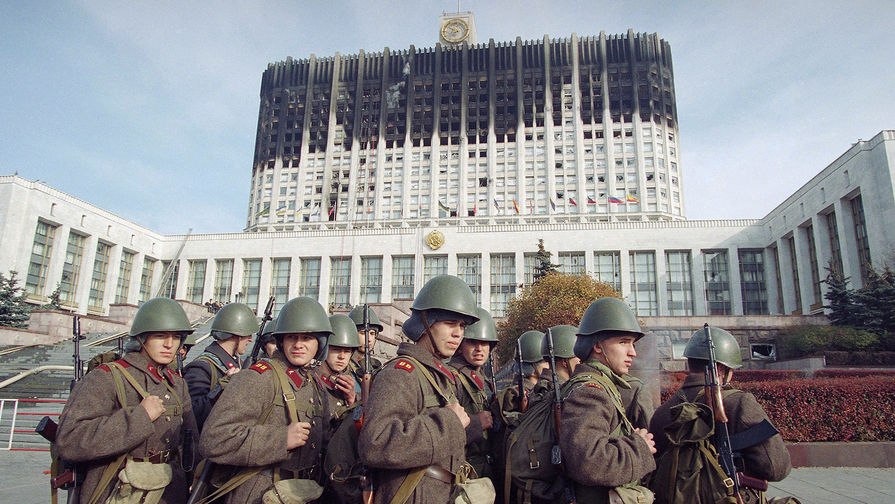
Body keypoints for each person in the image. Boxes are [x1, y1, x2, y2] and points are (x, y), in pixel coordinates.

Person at [56, 297, 198, 503]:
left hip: (170, 491)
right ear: (141, 338)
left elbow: (191, 440)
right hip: (118, 490)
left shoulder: (176, 383)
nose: (169, 344)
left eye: (176, 337)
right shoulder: (107, 377)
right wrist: (140, 417)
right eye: (160, 336)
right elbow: (70, 440)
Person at [357, 275, 479, 503]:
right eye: (450, 323)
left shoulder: (439, 376)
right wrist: (449, 423)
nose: (458, 333)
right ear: (425, 323)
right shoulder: (401, 373)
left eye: (462, 326)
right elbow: (376, 443)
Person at [198, 296, 333, 503]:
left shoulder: (315, 384)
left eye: (306, 338)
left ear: (320, 344)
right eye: (292, 337)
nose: (298, 344)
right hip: (257, 493)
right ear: (281, 341)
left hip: (300, 492)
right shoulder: (259, 377)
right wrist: (281, 439)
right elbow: (214, 439)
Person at [649, 326, 792, 503]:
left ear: (689, 364)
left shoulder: (661, 413)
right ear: (722, 370)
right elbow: (776, 468)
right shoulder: (740, 402)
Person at [559, 297, 656, 501]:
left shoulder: (602, 385)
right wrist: (640, 447)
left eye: (632, 344)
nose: (633, 352)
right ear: (597, 346)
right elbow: (588, 462)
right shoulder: (590, 392)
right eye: (623, 342)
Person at [183, 302, 258, 430]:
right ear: (236, 335)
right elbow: (192, 414)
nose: (250, 339)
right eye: (248, 335)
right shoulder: (201, 368)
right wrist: (222, 388)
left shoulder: (236, 363)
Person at [449, 307, 497, 480]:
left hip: (486, 467)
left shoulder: (484, 380)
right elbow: (443, 435)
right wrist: (476, 423)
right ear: (461, 345)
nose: (479, 349)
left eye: (484, 343)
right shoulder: (452, 377)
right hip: (464, 470)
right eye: (472, 342)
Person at [319, 313, 361, 425]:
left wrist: (352, 400)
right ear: (325, 349)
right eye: (336, 350)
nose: (342, 356)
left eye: (347, 351)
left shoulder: (355, 378)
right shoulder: (312, 378)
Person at [530, 324, 580, 405]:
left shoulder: (543, 387)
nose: (581, 362)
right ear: (564, 362)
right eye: (578, 357)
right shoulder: (550, 391)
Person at [346, 304, 384, 380]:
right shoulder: (343, 365)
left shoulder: (376, 367)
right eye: (363, 333)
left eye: (372, 333)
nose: (369, 339)